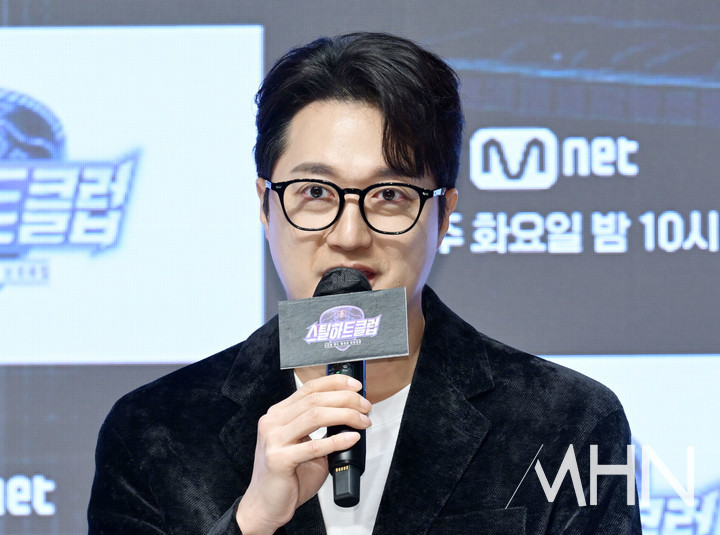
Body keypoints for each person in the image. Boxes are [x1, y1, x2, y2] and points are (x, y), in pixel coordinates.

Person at [88, 32, 641, 534]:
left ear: (444, 216)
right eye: (315, 192)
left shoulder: (568, 420)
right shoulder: (152, 433)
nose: (349, 236)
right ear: (265, 205)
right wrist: (251, 522)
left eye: (390, 195)